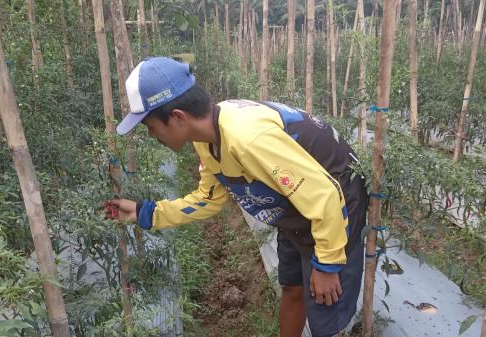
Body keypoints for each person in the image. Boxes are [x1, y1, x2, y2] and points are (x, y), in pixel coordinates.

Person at [110, 56, 368, 337]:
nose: (152, 135)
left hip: (336, 206)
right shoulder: (208, 139)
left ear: (178, 117)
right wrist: (145, 212)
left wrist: (328, 264)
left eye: (150, 127)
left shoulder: (247, 138)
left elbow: (325, 195)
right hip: (296, 204)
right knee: (293, 287)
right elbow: (208, 198)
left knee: (325, 309)